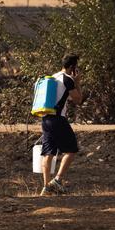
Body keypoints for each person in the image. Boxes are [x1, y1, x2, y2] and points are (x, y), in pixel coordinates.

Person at [40, 54, 83, 196]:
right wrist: (77, 82)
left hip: (45, 119)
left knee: (48, 153)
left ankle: (46, 187)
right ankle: (57, 180)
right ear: (72, 67)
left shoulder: (53, 77)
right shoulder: (68, 79)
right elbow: (78, 99)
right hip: (58, 119)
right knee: (72, 149)